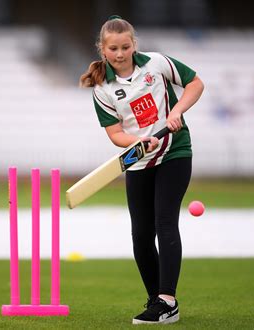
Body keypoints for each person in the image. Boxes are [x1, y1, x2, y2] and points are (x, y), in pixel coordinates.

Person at [80, 16, 204, 325]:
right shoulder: (103, 88)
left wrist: (176, 111)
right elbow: (115, 134)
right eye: (113, 48)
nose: (120, 54)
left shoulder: (157, 64)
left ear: (134, 45)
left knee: (165, 221)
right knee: (140, 235)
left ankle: (167, 299)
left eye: (125, 47)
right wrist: (138, 141)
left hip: (174, 152)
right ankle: (155, 300)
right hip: (139, 159)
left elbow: (195, 83)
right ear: (102, 49)